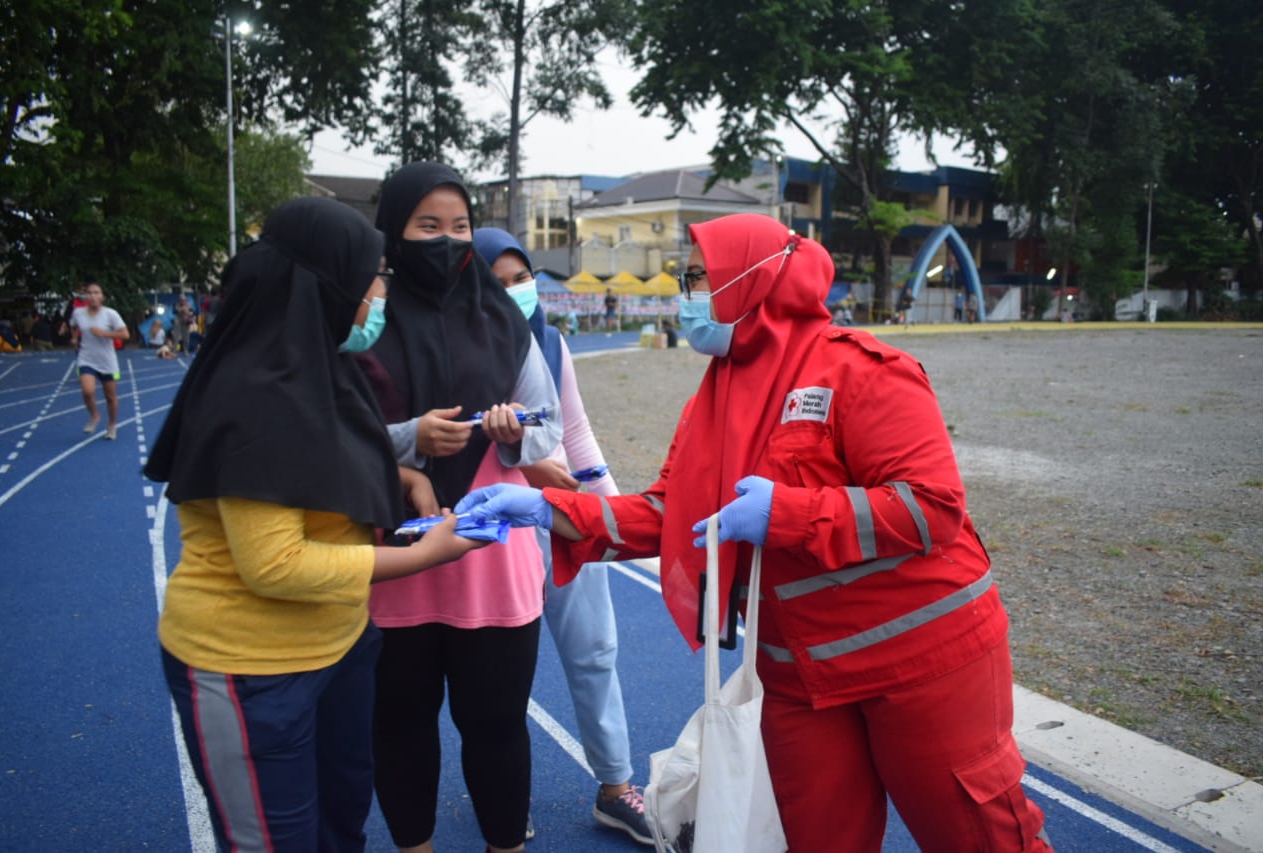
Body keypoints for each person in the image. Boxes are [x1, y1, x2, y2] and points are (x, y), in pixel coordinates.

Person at [457, 213, 1052, 853]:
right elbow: (670, 513)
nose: (687, 295)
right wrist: (548, 510)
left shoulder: (863, 371)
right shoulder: (713, 398)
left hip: (918, 661)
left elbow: (931, 508)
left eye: (698, 278)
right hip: (797, 675)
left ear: (754, 280)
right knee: (818, 838)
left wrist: (789, 515)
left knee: (975, 834)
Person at [144, 196, 486, 853]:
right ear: (327, 283)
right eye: (374, 274)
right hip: (252, 669)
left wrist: (404, 475)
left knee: (341, 826)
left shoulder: (321, 365)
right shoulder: (253, 393)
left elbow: (333, 457)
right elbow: (277, 565)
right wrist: (431, 552)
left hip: (342, 644)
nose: (382, 290)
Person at [357, 162, 561, 853]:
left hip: (488, 556)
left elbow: (549, 426)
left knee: (498, 725)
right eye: (427, 226)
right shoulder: (367, 321)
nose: (447, 240)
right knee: (400, 725)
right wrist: (410, 437)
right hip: (398, 557)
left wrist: (513, 429)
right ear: (395, 232)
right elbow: (334, 428)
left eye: (460, 226)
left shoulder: (505, 319)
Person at [473, 228, 653, 846]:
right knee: (500, 677)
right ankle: (503, 795)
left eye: (520, 277)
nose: (513, 291)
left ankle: (615, 786)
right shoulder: (452, 350)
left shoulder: (550, 342)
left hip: (562, 517)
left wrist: (616, 517)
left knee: (596, 650)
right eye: (494, 281)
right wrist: (523, 464)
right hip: (493, 534)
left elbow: (576, 434)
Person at [68, 279, 129, 440]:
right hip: (86, 358)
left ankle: (112, 425)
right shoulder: (78, 313)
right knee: (87, 391)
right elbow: (73, 325)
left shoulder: (111, 314)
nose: (93, 296)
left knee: (110, 396)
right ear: (85, 296)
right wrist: (74, 338)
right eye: (90, 293)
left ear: (102, 297)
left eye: (96, 293)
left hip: (108, 361)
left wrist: (104, 334)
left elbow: (125, 334)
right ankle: (95, 415)